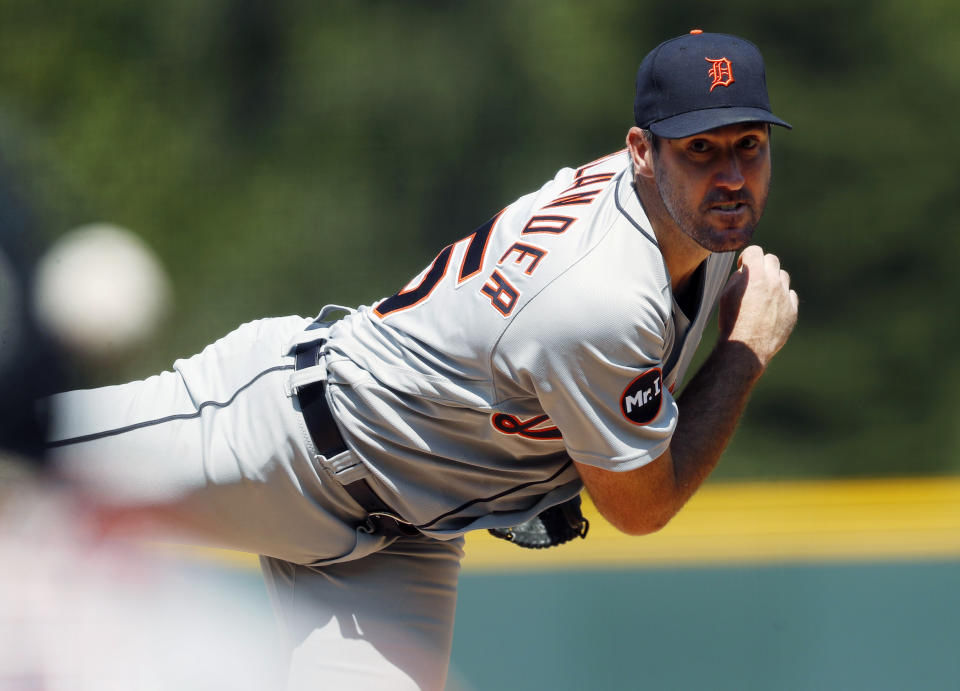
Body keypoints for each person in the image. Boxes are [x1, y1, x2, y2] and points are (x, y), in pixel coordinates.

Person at [46, 30, 798, 690]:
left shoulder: (679, 225)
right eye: (700, 148)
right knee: (25, 455)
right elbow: (640, 507)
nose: (730, 174)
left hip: (399, 541)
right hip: (283, 438)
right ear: (641, 151)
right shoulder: (602, 296)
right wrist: (742, 352)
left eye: (748, 145)